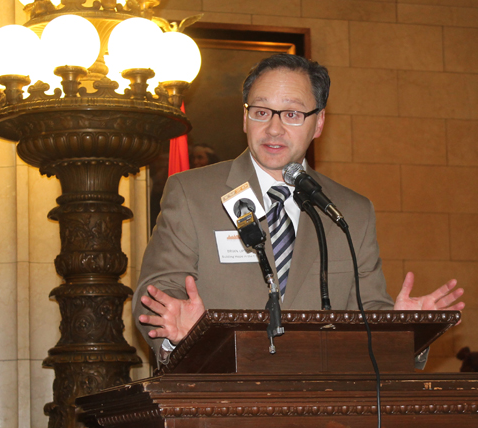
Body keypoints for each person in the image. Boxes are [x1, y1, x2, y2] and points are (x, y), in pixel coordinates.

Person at [132, 54, 464, 364]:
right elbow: (158, 297)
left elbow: (367, 313)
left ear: (318, 123)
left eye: (291, 114)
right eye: (261, 112)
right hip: (219, 397)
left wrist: (404, 330)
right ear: (245, 118)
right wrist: (181, 337)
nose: (274, 129)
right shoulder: (192, 193)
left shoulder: (351, 211)